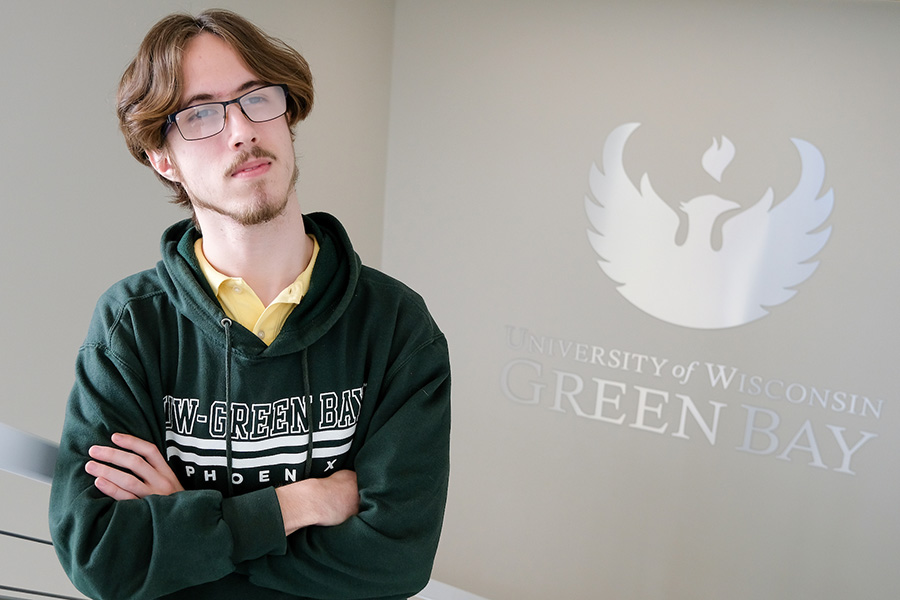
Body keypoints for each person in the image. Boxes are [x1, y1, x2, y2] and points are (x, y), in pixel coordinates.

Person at [48, 9, 451, 600]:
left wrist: (188, 519)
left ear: (288, 116)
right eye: (201, 114)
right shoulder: (132, 325)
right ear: (164, 159)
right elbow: (103, 555)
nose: (241, 130)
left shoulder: (394, 326)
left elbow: (397, 560)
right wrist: (300, 502)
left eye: (257, 98)